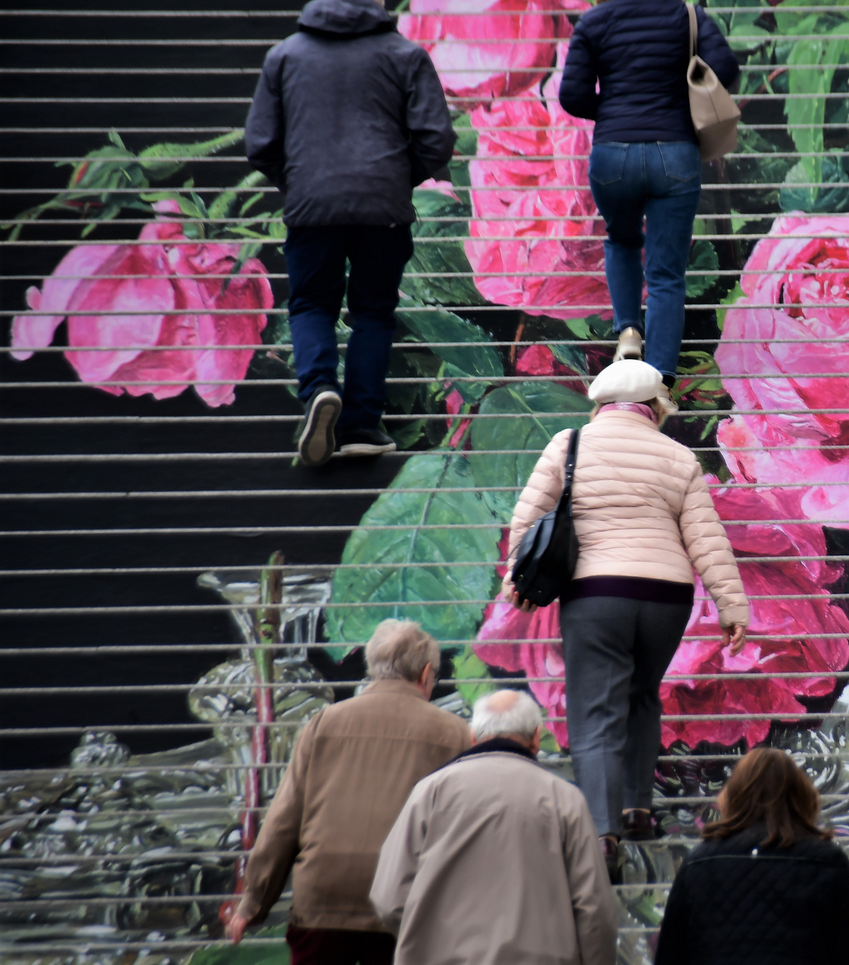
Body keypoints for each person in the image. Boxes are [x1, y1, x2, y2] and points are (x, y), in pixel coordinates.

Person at [503, 358, 749, 864]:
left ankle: (601, 830)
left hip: (596, 594)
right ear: (656, 408)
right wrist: (730, 604)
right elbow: (706, 539)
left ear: (599, 404)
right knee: (642, 696)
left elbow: (527, 519)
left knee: (596, 709)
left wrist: (515, 578)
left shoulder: (569, 445)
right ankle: (638, 807)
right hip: (665, 598)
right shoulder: (678, 456)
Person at [246, 0, 457, 467]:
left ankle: (319, 388)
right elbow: (438, 138)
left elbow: (260, 144)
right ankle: (362, 423)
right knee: (373, 312)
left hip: (311, 206)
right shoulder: (406, 55)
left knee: (312, 305)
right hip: (382, 210)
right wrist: (395, 179)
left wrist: (299, 182)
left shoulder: (285, 55)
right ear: (378, 2)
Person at [558, 0, 739, 392]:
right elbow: (727, 68)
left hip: (613, 154)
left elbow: (572, 96)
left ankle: (628, 331)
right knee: (666, 274)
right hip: (674, 154)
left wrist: (614, 110)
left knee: (621, 240)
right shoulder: (689, 16)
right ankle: (658, 384)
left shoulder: (593, 22)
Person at [225, 620, 469, 965]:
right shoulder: (455, 734)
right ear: (427, 673)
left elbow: (284, 819)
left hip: (323, 902)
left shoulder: (324, 723)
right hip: (404, 905)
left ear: (371, 668)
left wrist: (252, 904)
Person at [370, 690, 616, 965]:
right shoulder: (566, 799)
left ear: (473, 737)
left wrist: (427, 936)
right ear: (536, 737)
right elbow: (594, 910)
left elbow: (389, 897)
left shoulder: (430, 792)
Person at [654, 747, 849, 965]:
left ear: (733, 795)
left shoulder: (700, 862)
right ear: (801, 796)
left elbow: (670, 955)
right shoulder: (826, 861)